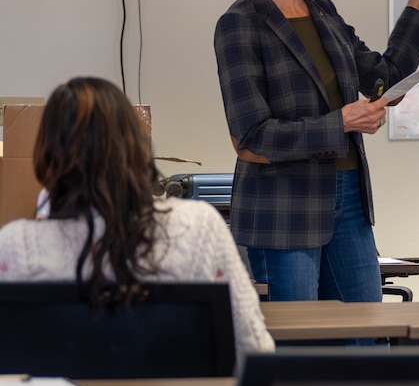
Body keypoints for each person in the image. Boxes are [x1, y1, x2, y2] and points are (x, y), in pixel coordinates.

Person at [214, 0, 419, 304]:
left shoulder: (324, 11)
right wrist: (340, 123)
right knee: (301, 340)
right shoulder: (240, 23)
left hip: (349, 201)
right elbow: (250, 138)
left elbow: (384, 81)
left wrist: (417, 8)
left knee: (365, 335)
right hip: (283, 212)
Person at [0, 77, 274, 359]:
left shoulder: (16, 246)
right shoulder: (200, 228)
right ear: (136, 147)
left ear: (46, 156)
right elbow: (254, 348)